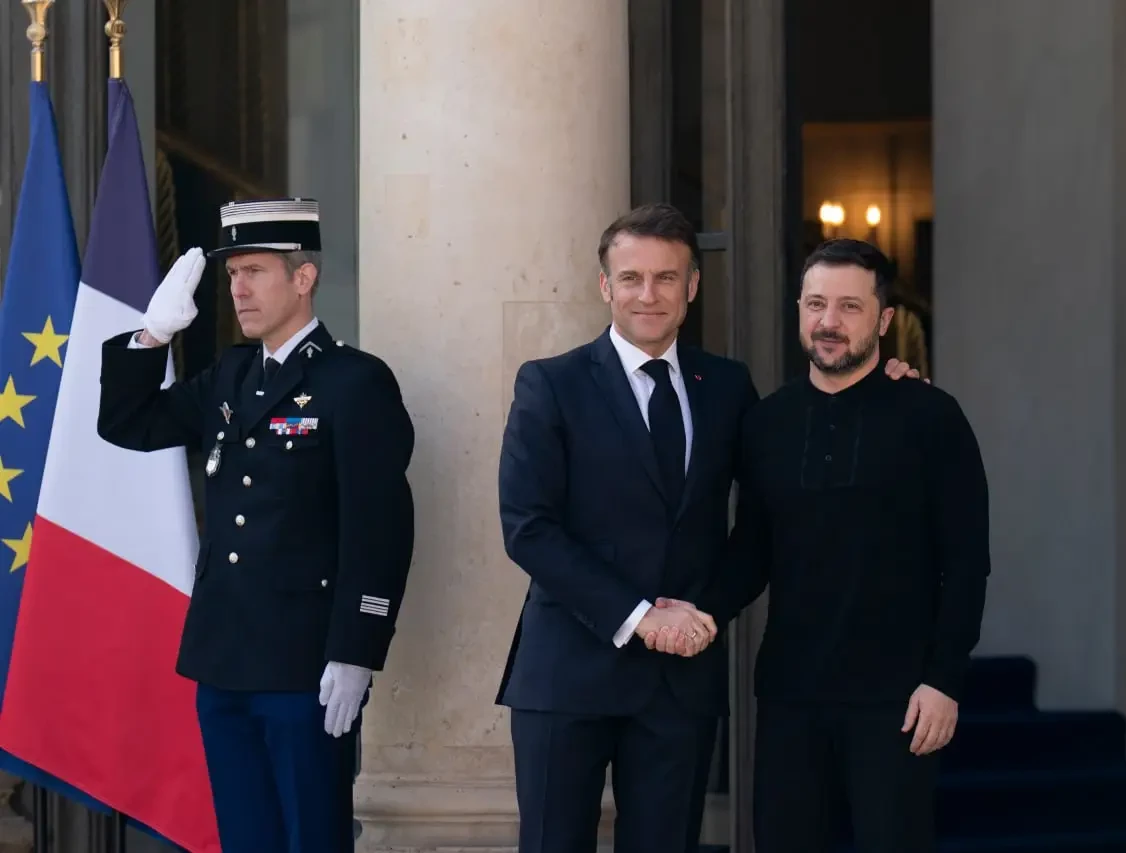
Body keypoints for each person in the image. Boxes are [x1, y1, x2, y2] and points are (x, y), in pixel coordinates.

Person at [495, 205, 923, 853]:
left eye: (666, 277)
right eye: (631, 278)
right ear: (606, 286)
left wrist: (883, 389)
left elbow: (770, 511)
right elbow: (529, 528)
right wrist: (640, 617)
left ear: (692, 285)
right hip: (567, 674)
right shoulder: (551, 384)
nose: (649, 294)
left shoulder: (725, 386)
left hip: (680, 685)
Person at [96, 198, 416, 853]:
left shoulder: (354, 381)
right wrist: (151, 336)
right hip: (223, 657)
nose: (237, 289)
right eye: (232, 273)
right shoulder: (232, 374)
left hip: (304, 661)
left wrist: (357, 648)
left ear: (303, 278)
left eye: (255, 271)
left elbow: (380, 527)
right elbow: (129, 423)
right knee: (245, 838)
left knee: (311, 835)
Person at [650, 237, 989, 852]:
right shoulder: (767, 422)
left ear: (884, 319)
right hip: (790, 695)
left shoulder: (933, 418)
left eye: (849, 307)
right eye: (815, 304)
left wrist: (944, 680)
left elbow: (966, 563)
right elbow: (753, 549)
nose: (829, 322)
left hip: (898, 701)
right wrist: (698, 611)